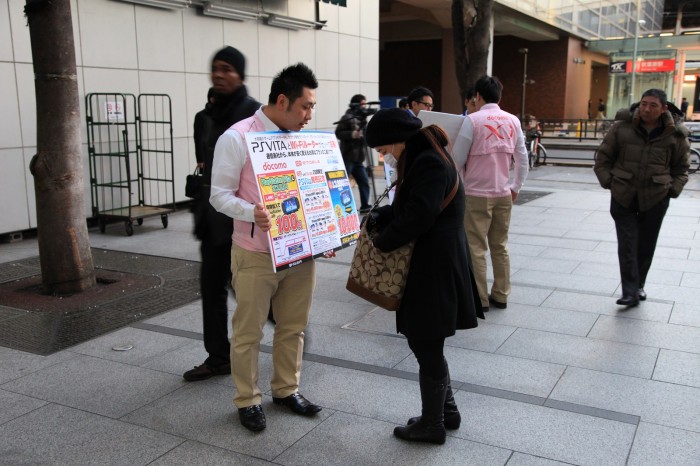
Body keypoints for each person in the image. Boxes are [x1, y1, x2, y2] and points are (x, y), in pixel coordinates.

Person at [210, 63, 327, 432]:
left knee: (293, 327)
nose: (310, 115)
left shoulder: (302, 139)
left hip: (299, 251)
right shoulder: (237, 137)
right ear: (282, 100)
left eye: (311, 107)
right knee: (248, 331)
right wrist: (251, 211)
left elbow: (314, 193)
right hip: (255, 253)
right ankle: (248, 399)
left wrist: (326, 232)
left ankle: (286, 389)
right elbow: (218, 196)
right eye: (305, 106)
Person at [364, 108, 483, 445]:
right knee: (427, 341)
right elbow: (415, 204)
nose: (383, 155)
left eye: (384, 148)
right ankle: (446, 412)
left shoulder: (427, 161)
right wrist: (385, 214)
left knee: (426, 341)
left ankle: (432, 425)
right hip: (435, 262)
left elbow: (419, 215)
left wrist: (382, 243)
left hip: (434, 267)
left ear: (398, 139)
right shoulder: (426, 154)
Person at [184, 46, 261, 382]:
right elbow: (206, 167)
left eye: (227, 68)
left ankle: (291, 328)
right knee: (212, 288)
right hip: (211, 222)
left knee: (253, 291)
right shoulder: (204, 117)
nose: (219, 74)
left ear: (240, 75)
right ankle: (218, 357)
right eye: (215, 68)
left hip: (243, 224)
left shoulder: (257, 116)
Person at [594, 88, 689, 307]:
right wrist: (609, 182)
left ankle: (638, 286)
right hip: (623, 194)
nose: (646, 109)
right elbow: (603, 159)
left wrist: (672, 190)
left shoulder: (675, 134)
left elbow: (682, 168)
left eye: (653, 105)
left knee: (646, 244)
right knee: (628, 243)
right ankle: (629, 291)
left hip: (656, 196)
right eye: (644, 103)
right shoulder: (622, 128)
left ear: (663, 108)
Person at [451, 75, 529, 312]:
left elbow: (457, 160)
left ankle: (480, 299)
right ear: (499, 96)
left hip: (475, 193)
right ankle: (501, 294)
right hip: (503, 192)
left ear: (478, 96)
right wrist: (515, 187)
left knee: (475, 247)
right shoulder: (513, 121)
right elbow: (523, 159)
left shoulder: (472, 121)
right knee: (500, 245)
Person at [335, 94, 372, 213]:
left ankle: (365, 205)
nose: (365, 106)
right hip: (348, 156)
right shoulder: (347, 117)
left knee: (364, 182)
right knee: (343, 185)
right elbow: (338, 133)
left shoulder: (362, 119)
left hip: (359, 158)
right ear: (356, 104)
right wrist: (352, 135)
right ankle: (340, 207)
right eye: (362, 104)